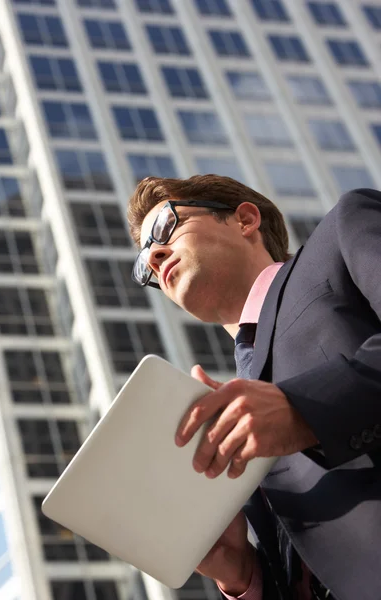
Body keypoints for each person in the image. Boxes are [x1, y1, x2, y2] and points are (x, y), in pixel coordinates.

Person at [127, 174, 381, 600]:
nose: (155, 256)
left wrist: (306, 409)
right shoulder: (233, 411)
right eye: (144, 261)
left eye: (164, 229)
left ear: (244, 220)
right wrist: (244, 576)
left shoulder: (343, 230)